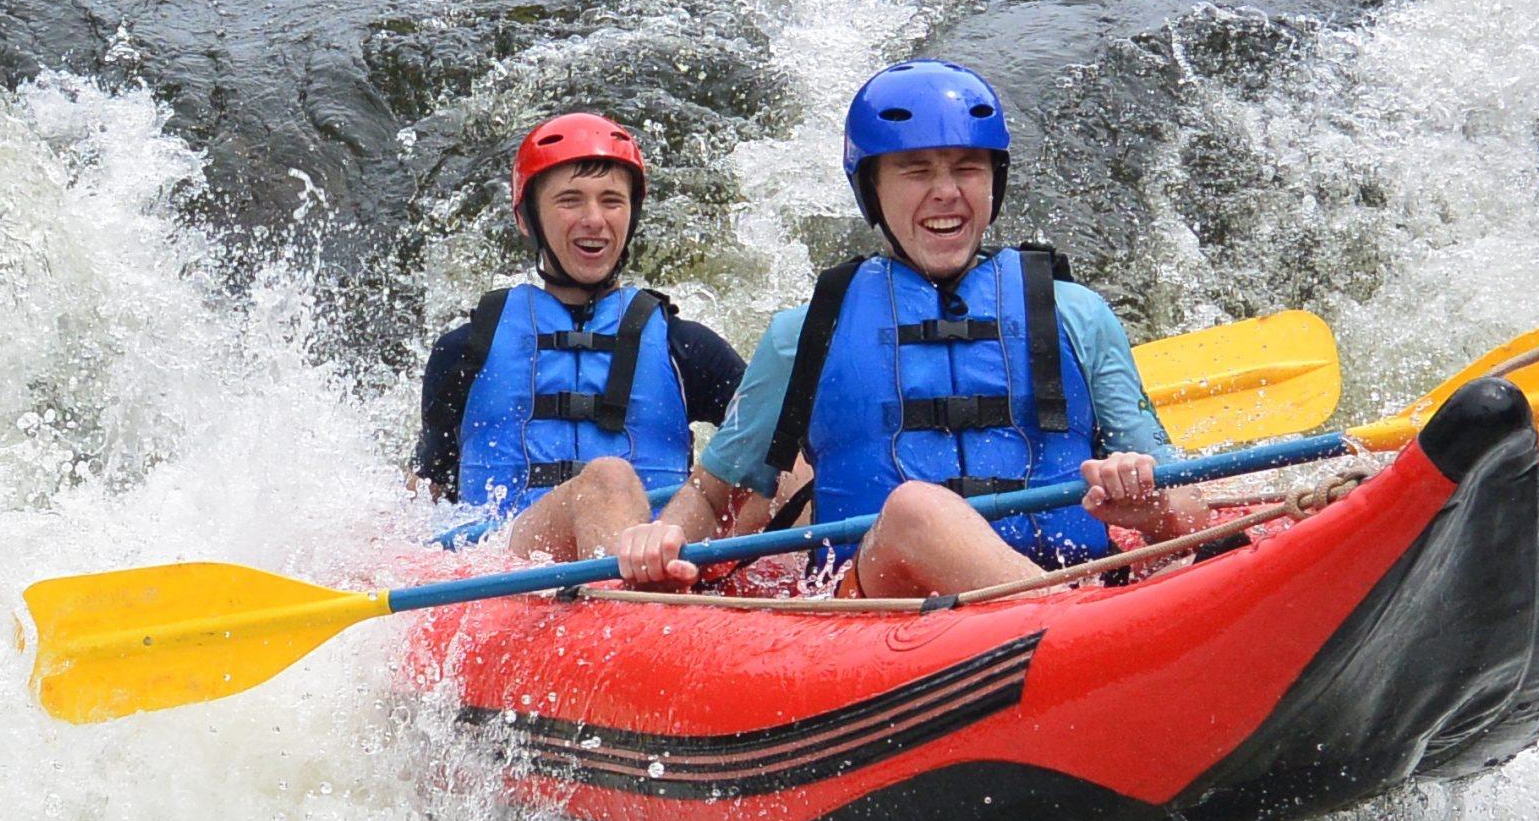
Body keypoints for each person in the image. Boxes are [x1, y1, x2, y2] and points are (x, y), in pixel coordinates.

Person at [611, 60, 1218, 598]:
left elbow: (1190, 509)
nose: (947, 193)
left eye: (967, 168)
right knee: (916, 512)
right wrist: (658, 541)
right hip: (875, 608)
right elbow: (716, 497)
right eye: (916, 171)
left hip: (1078, 581)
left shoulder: (1076, 314)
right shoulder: (805, 334)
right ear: (872, 188)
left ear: (993, 182)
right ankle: (1070, 629)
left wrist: (1150, 504)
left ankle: (1062, 622)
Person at [412, 111, 745, 563]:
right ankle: (627, 613)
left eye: (612, 201)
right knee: (606, 480)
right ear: (529, 219)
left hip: (655, 565)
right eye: (570, 200)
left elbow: (775, 458)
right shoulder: (466, 350)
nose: (594, 219)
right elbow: (422, 498)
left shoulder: (685, 348)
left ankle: (635, 608)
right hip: (508, 566)